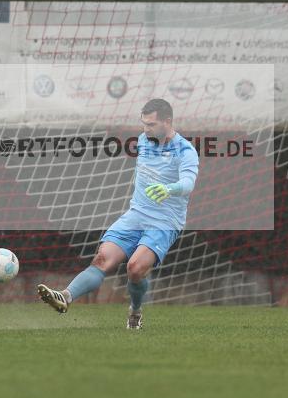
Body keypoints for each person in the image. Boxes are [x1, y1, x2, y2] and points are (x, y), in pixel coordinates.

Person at [36, 98, 199, 330]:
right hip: (135, 215)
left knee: (134, 268)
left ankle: (135, 311)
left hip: (164, 222)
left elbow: (188, 183)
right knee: (101, 259)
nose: (145, 129)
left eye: (151, 124)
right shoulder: (144, 140)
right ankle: (65, 296)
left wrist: (169, 189)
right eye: (143, 123)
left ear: (167, 121)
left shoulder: (185, 150)